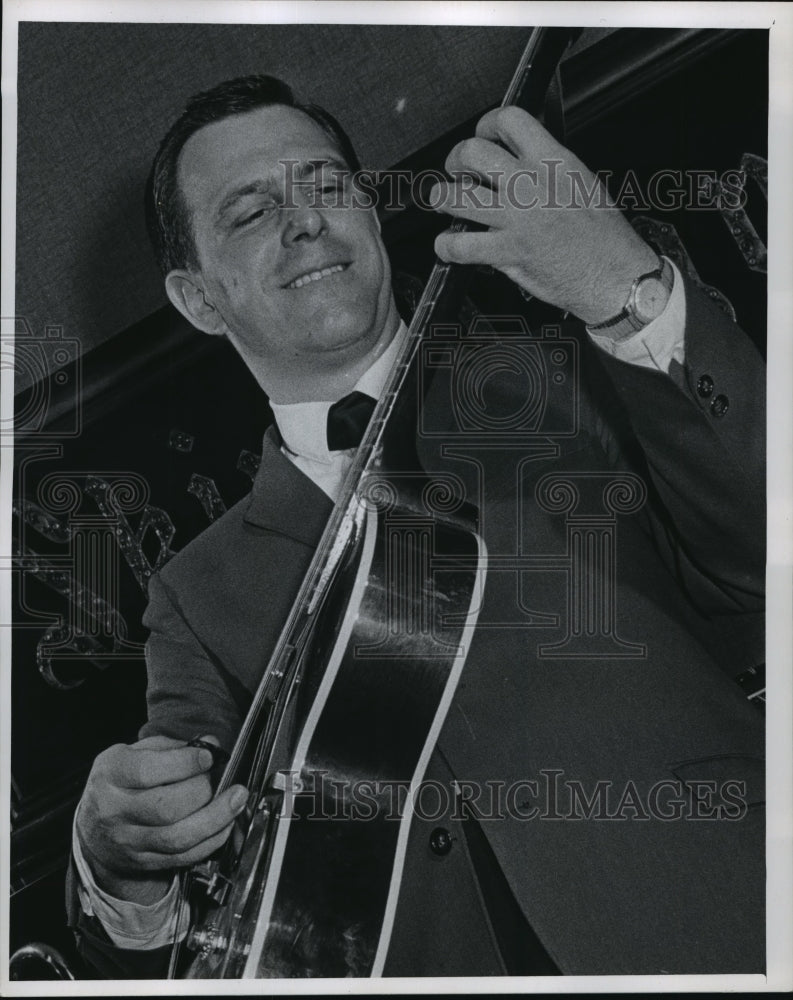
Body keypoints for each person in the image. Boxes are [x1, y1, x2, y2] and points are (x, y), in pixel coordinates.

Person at [67, 74, 765, 978]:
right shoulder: (196, 596)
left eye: (326, 184)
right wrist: (120, 857)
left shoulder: (581, 370)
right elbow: (188, 890)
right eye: (249, 212)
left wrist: (629, 291)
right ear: (200, 300)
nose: (305, 219)